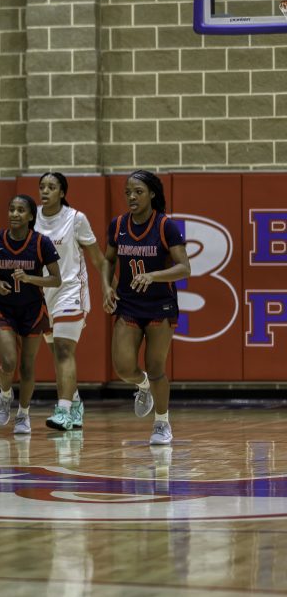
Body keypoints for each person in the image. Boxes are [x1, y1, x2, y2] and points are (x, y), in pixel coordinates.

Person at [101, 170, 190, 446]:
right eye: (128, 192)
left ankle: (162, 423)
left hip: (160, 304)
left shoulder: (165, 226)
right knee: (124, 368)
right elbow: (108, 260)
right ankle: (142, 386)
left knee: (155, 366)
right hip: (128, 302)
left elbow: (184, 268)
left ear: (151, 194)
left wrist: (153, 276)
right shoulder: (118, 225)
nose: (131, 197)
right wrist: (106, 287)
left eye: (138, 192)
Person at [0, 194, 62, 436]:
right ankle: (5, 394)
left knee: (27, 367)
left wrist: (29, 278)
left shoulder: (41, 243)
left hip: (32, 311)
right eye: (11, 209)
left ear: (30, 216)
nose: (14, 214)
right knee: (8, 362)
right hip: (4, 309)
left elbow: (56, 279)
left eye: (20, 210)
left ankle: (23, 414)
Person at [33, 173, 107, 431]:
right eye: (42, 187)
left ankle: (63, 411)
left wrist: (108, 287)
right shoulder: (32, 218)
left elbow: (99, 259)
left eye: (51, 187)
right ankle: (75, 403)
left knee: (64, 350)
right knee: (57, 354)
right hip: (42, 295)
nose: (45, 191)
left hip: (70, 291)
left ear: (62, 193)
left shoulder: (76, 219)